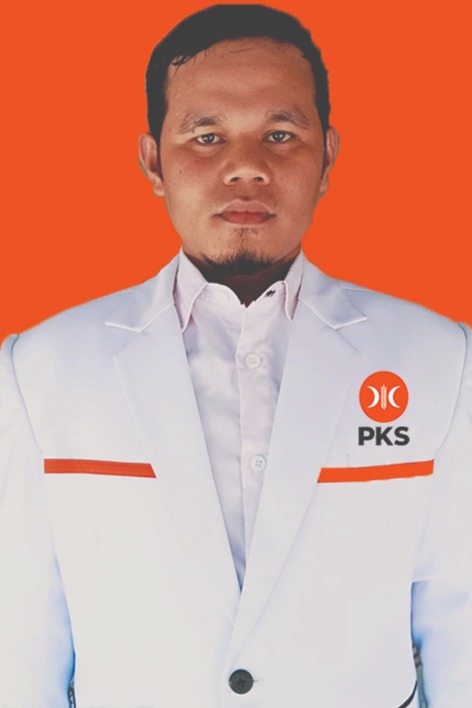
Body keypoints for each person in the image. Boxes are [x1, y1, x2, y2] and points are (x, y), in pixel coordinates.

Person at [0, 4, 471, 707]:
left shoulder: (440, 358)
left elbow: (460, 617)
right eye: (207, 136)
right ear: (154, 162)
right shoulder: (42, 369)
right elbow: (21, 640)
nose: (247, 166)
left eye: (280, 134)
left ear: (326, 157)